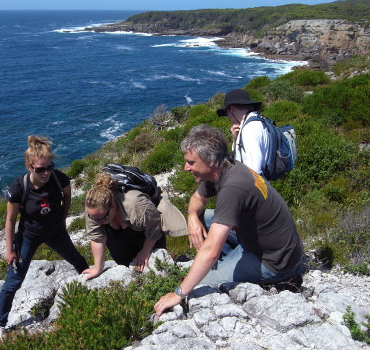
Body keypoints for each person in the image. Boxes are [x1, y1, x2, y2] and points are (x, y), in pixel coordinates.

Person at [154, 125, 303, 318]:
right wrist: (192, 218)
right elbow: (196, 200)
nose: (186, 168)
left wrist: (179, 293)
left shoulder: (232, 187)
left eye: (191, 162)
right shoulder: (224, 168)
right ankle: (223, 264)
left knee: (201, 283)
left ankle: (282, 279)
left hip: (275, 260)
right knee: (203, 217)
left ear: (211, 162)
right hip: (262, 242)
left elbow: (210, 251)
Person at [0, 136, 88, 338]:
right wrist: (9, 249)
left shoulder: (59, 178)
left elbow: (67, 196)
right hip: (29, 236)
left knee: (79, 261)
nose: (46, 173)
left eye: (49, 167)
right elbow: (10, 221)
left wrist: (63, 218)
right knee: (14, 281)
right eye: (40, 169)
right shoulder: (19, 187)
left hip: (55, 232)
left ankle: (92, 294)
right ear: (29, 166)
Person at [83, 171, 187, 279]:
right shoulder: (94, 210)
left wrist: (145, 251)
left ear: (113, 205)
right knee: (126, 268)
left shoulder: (136, 204)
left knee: (156, 266)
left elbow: (154, 225)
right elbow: (97, 238)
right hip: (117, 234)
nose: (97, 222)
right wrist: (98, 268)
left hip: (144, 232)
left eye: (102, 218)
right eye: (93, 218)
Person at [216, 88, 268, 176]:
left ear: (231, 109)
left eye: (226, 113)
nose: (228, 118)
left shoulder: (249, 129)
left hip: (253, 187)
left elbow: (255, 170)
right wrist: (236, 139)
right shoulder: (258, 121)